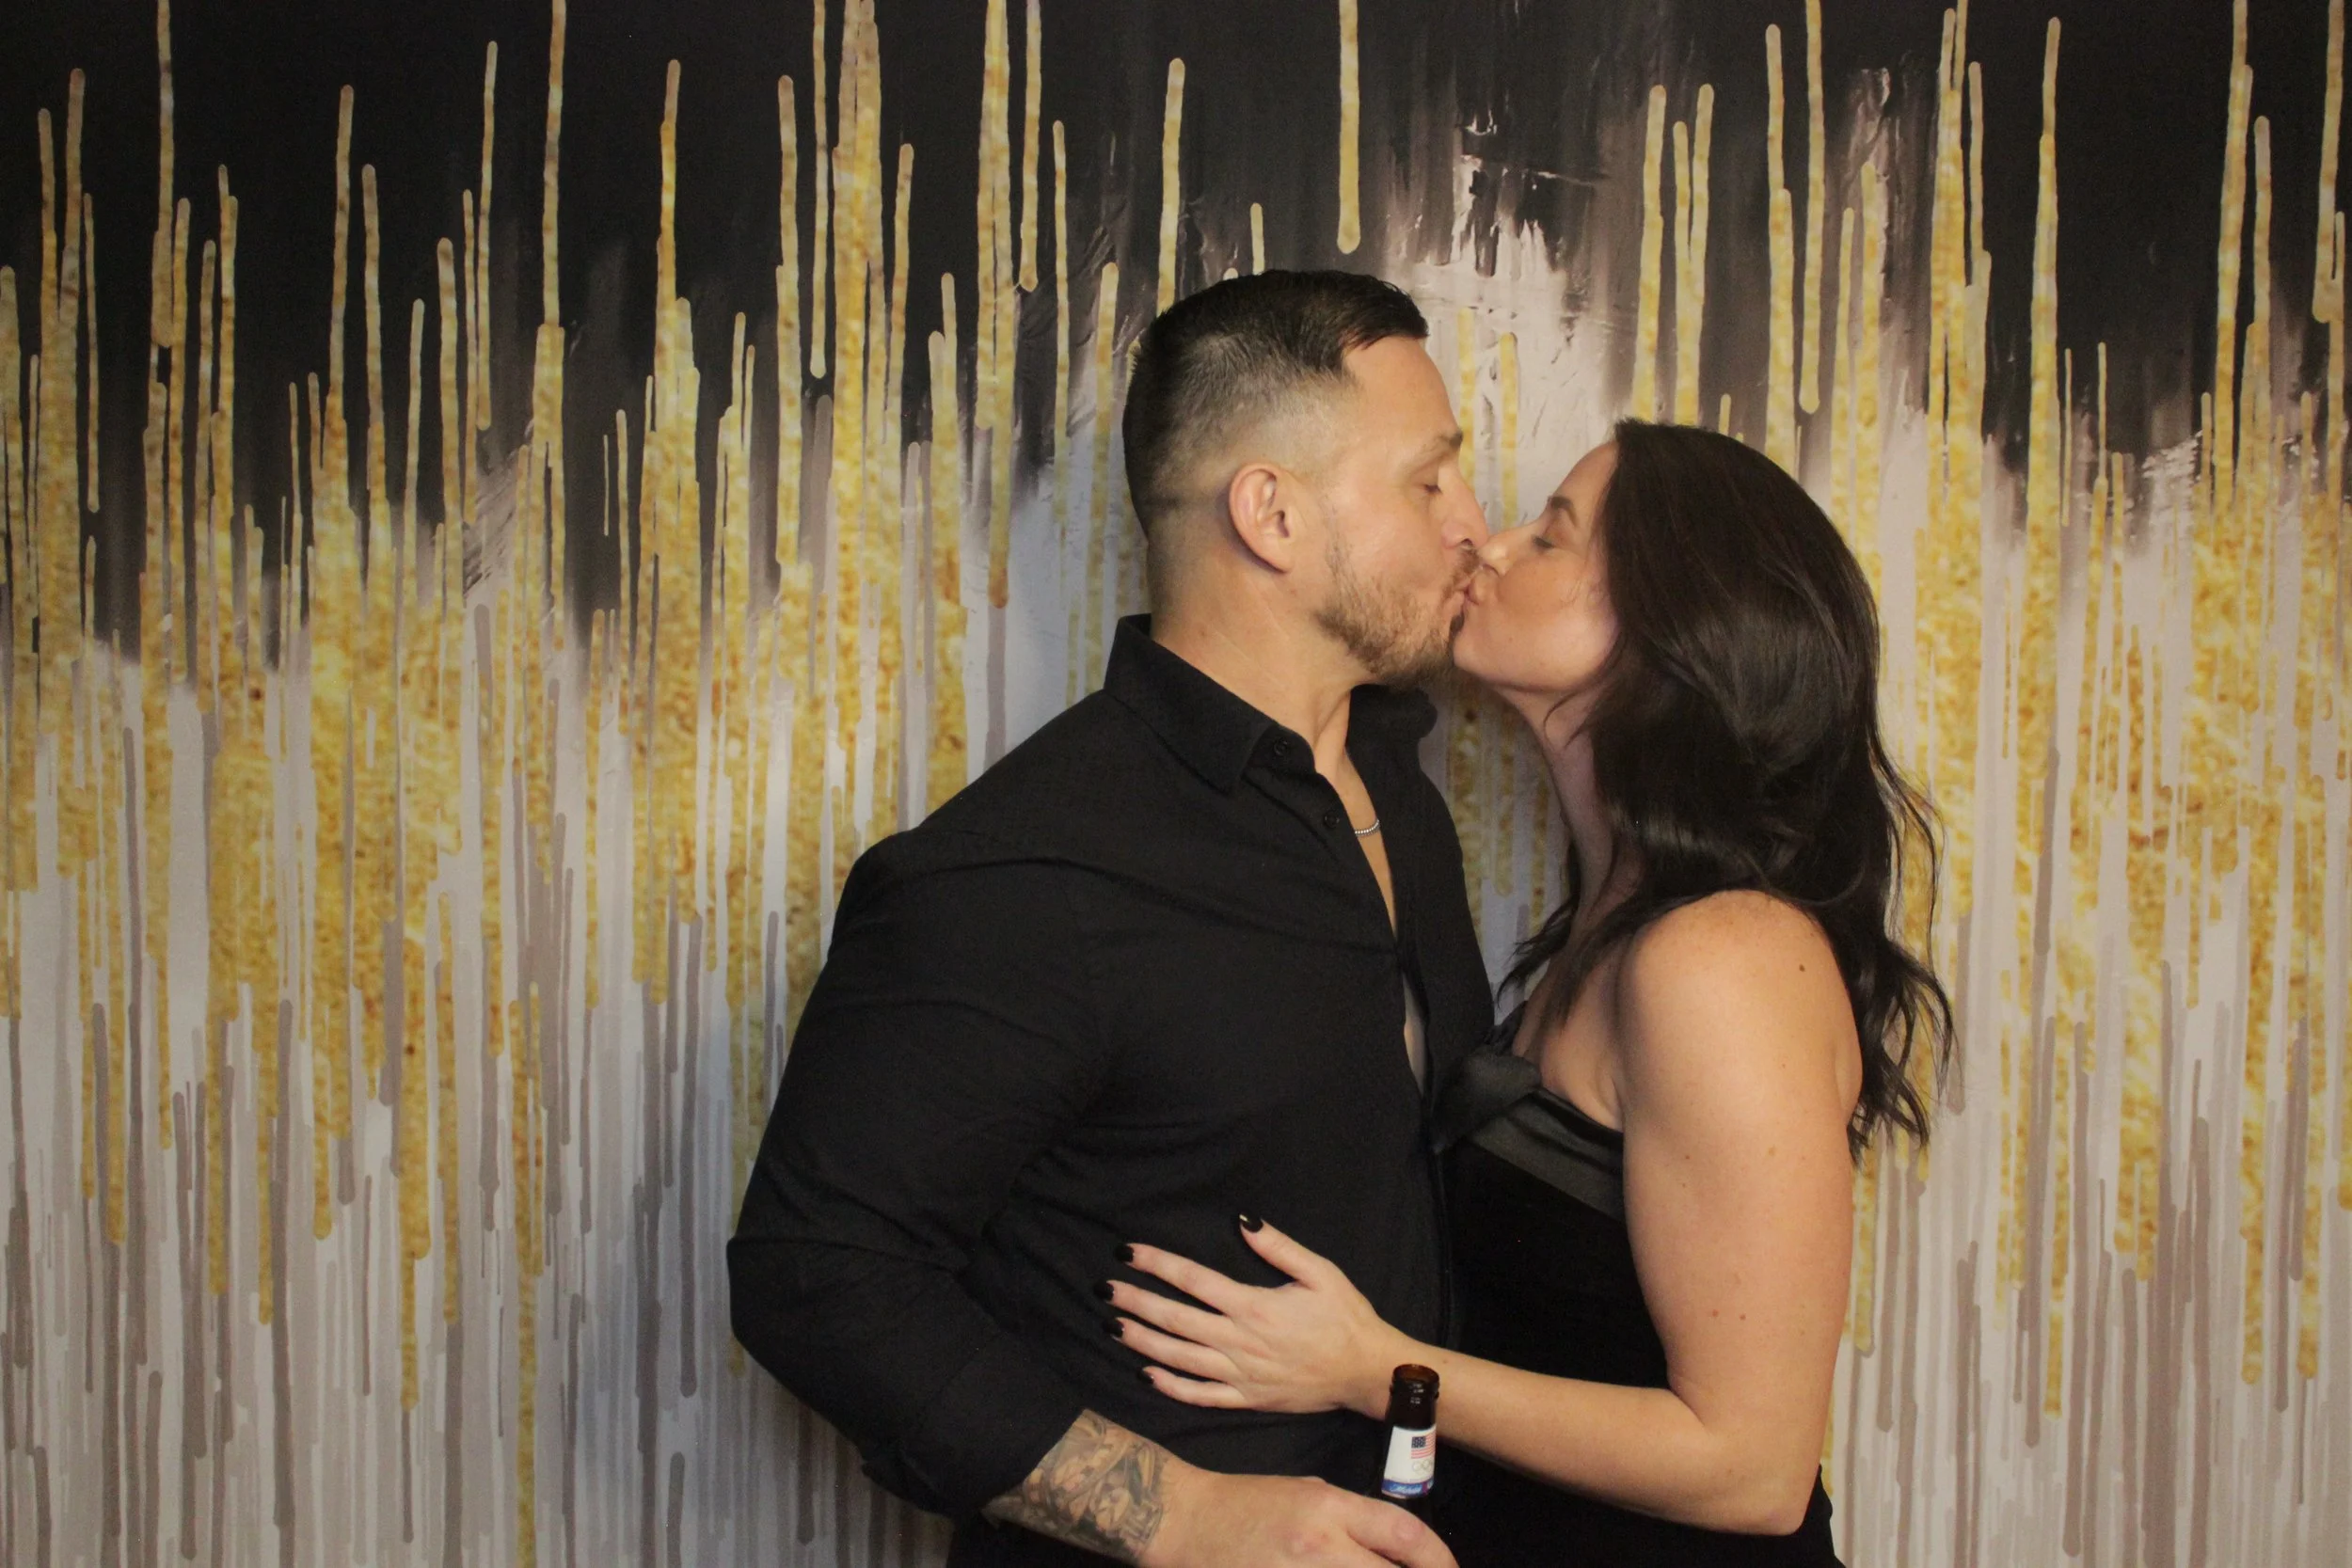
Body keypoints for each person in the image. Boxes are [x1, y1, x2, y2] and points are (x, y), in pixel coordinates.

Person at [728, 270, 1494, 1567]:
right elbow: (817, 1274)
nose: (1472, 523)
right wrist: (1181, 1511)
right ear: (1272, 513)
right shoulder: (1023, 872)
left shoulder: (1398, 792)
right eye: (1429, 480)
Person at [1101, 421, 1953, 1566]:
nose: (1488, 545)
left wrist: (1370, 1366)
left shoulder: (1723, 956)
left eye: (1550, 534)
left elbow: (1754, 1468)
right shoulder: (1609, 924)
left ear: (1669, 627)